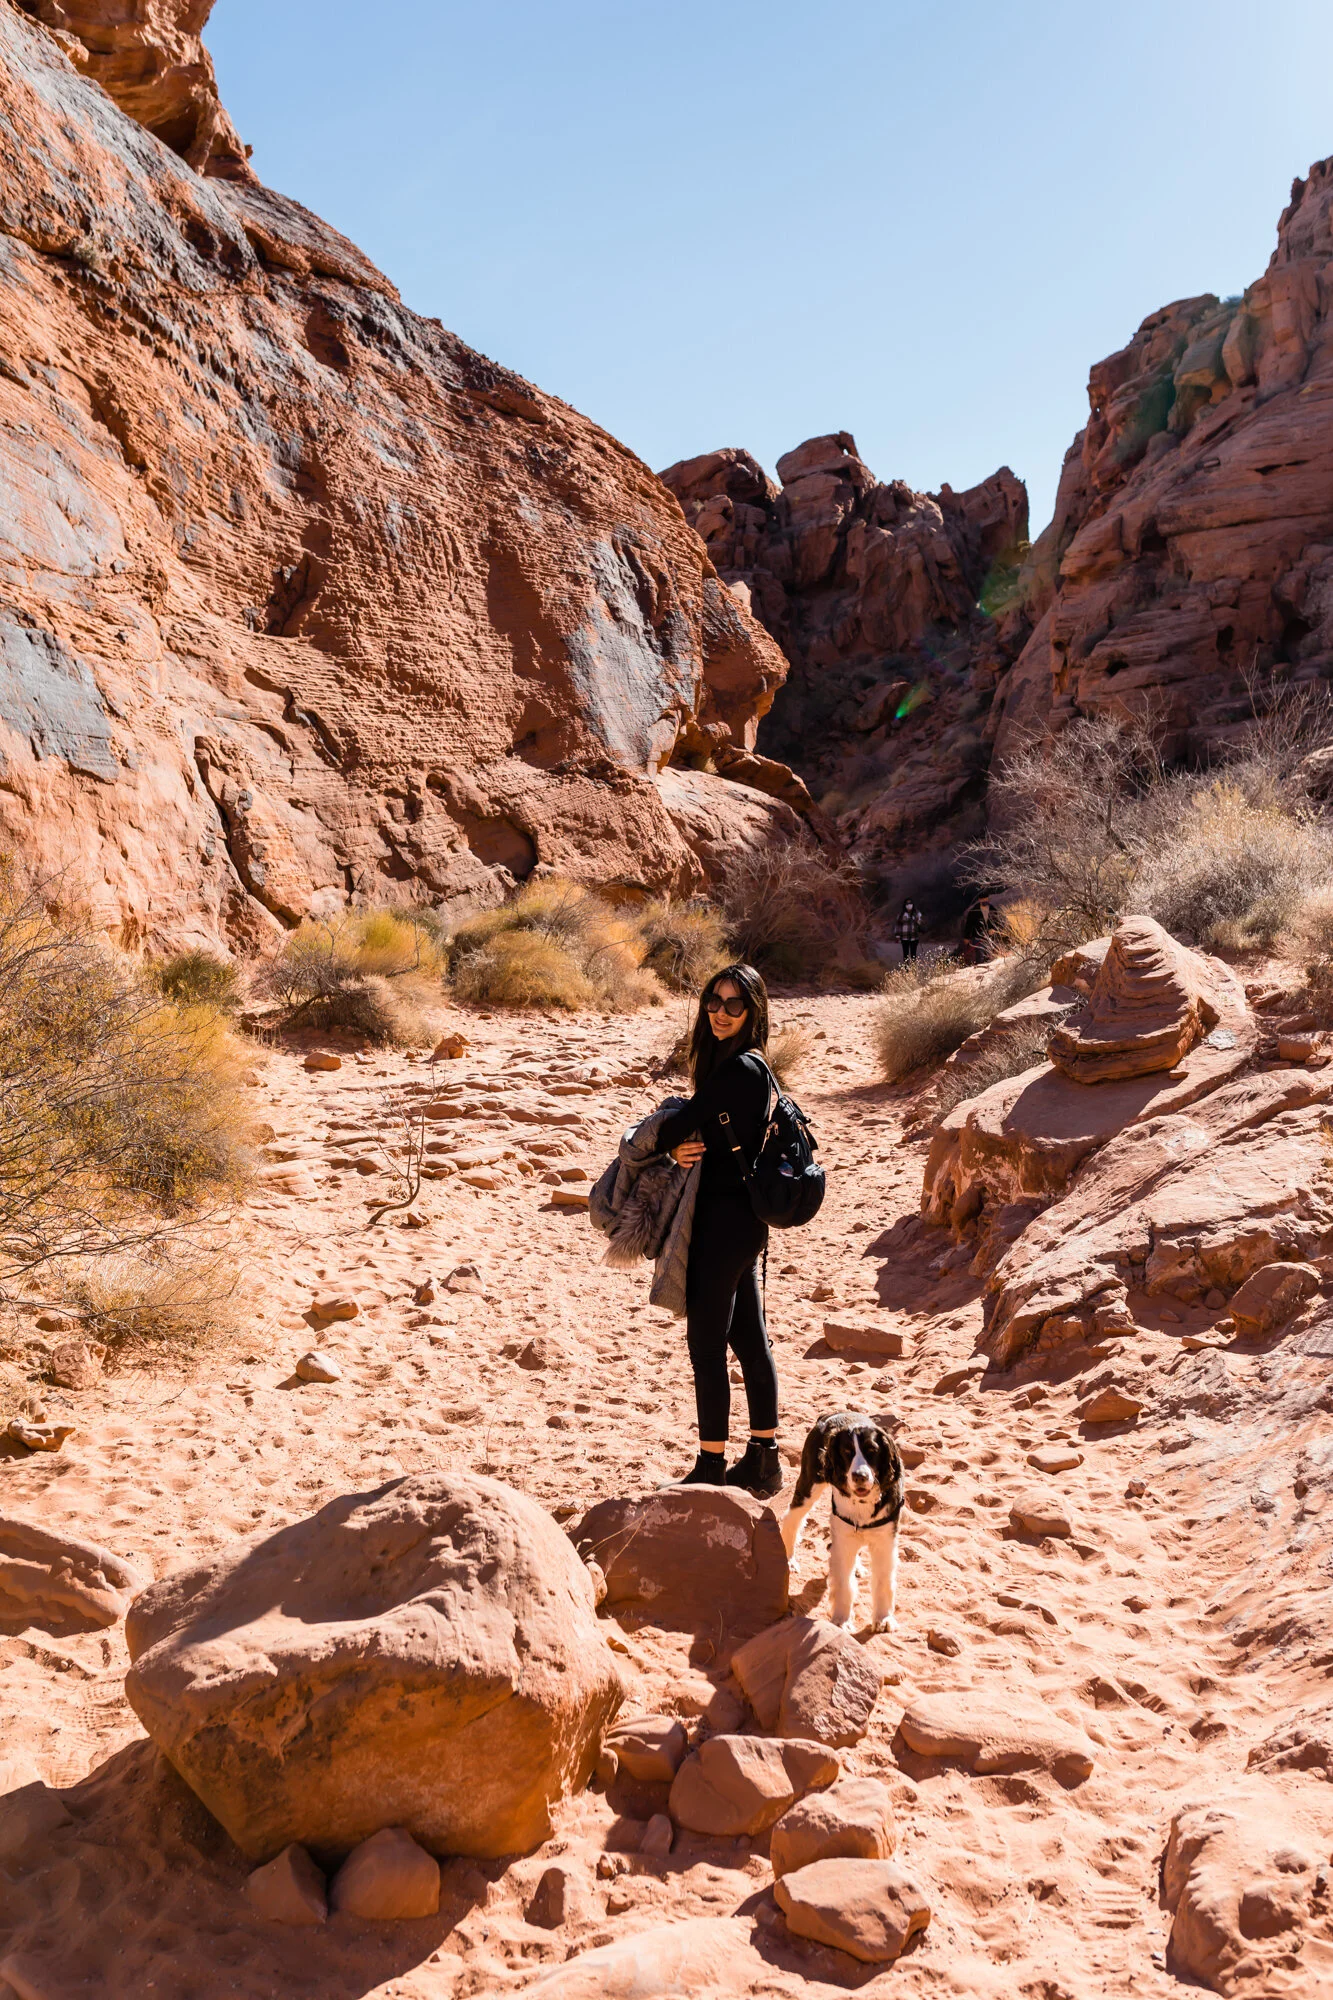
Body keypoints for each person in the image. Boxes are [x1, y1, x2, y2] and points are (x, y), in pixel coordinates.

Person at [655, 964, 781, 1497]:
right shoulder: (751, 1066)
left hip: (723, 1226)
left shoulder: (737, 1071)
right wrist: (682, 1143)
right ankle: (764, 1460)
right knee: (749, 1339)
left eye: (733, 1005)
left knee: (706, 1347)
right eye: (714, 1001)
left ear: (752, 1011)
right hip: (743, 1224)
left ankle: (711, 1465)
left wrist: (672, 1141)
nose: (720, 1013)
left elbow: (673, 1127)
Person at [893, 898, 922, 963]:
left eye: (910, 904)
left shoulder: (917, 913)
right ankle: (906, 967)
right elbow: (898, 926)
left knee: (913, 954)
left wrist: (918, 921)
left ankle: (913, 967)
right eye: (907, 904)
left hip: (914, 937)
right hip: (904, 937)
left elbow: (921, 923)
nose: (909, 905)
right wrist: (897, 935)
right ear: (905, 905)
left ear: (913, 905)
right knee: (905, 954)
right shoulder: (901, 915)